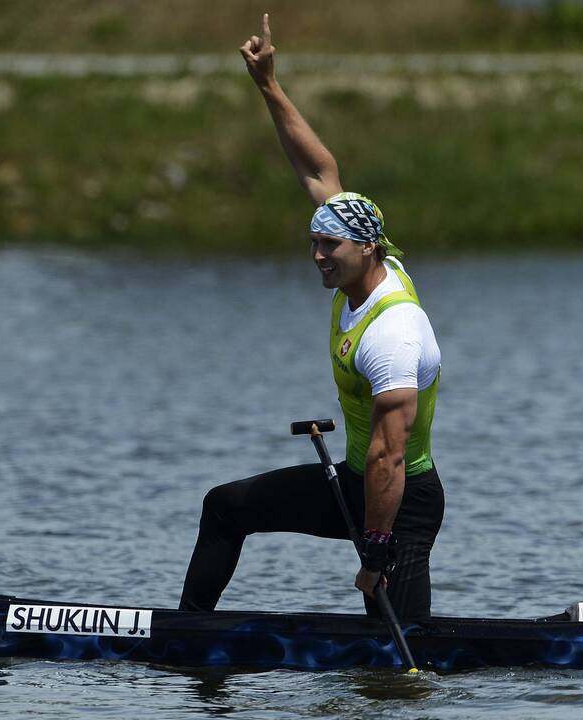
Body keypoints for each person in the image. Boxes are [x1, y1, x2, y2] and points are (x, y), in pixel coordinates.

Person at [178, 14, 444, 622]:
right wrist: (268, 85)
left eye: (331, 248)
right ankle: (184, 638)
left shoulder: (394, 333)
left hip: (400, 503)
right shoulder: (359, 247)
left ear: (369, 248)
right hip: (355, 481)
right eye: (314, 243)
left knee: (398, 664)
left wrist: (375, 554)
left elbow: (390, 458)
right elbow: (320, 169)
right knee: (226, 505)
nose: (319, 256)